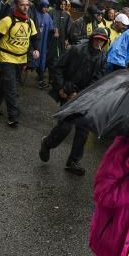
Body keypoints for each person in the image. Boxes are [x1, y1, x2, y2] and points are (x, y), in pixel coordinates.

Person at [39, 28, 108, 175]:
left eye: (102, 40)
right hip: (68, 93)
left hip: (85, 97)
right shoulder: (76, 50)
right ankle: (47, 143)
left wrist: (86, 94)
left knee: (83, 131)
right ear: (92, 38)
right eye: (97, 39)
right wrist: (61, 88)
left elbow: (98, 79)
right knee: (65, 127)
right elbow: (58, 67)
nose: (99, 42)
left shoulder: (102, 57)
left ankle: (73, 161)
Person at [0, 0, 39, 126]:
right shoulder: (7, 21)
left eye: (27, 5)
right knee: (11, 87)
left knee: (4, 84)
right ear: (16, 6)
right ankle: (13, 116)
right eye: (22, 4)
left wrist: (36, 49)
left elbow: (34, 37)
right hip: (6, 58)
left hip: (21, 59)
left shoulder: (29, 22)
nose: (25, 7)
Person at [47, 0, 73, 74]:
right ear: (58, 4)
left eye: (64, 4)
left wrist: (67, 39)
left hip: (62, 40)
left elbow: (69, 27)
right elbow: (48, 24)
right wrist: (53, 30)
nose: (63, 6)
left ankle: (55, 75)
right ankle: (50, 75)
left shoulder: (66, 14)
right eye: (61, 4)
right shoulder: (51, 12)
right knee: (51, 58)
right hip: (51, 39)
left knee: (60, 57)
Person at [33, 0, 54, 88]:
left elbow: (51, 27)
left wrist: (54, 30)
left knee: (42, 59)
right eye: (45, 7)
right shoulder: (34, 14)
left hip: (43, 42)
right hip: (34, 41)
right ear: (41, 6)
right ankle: (18, 78)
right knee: (30, 59)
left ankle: (41, 80)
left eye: (47, 7)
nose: (46, 9)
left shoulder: (47, 16)